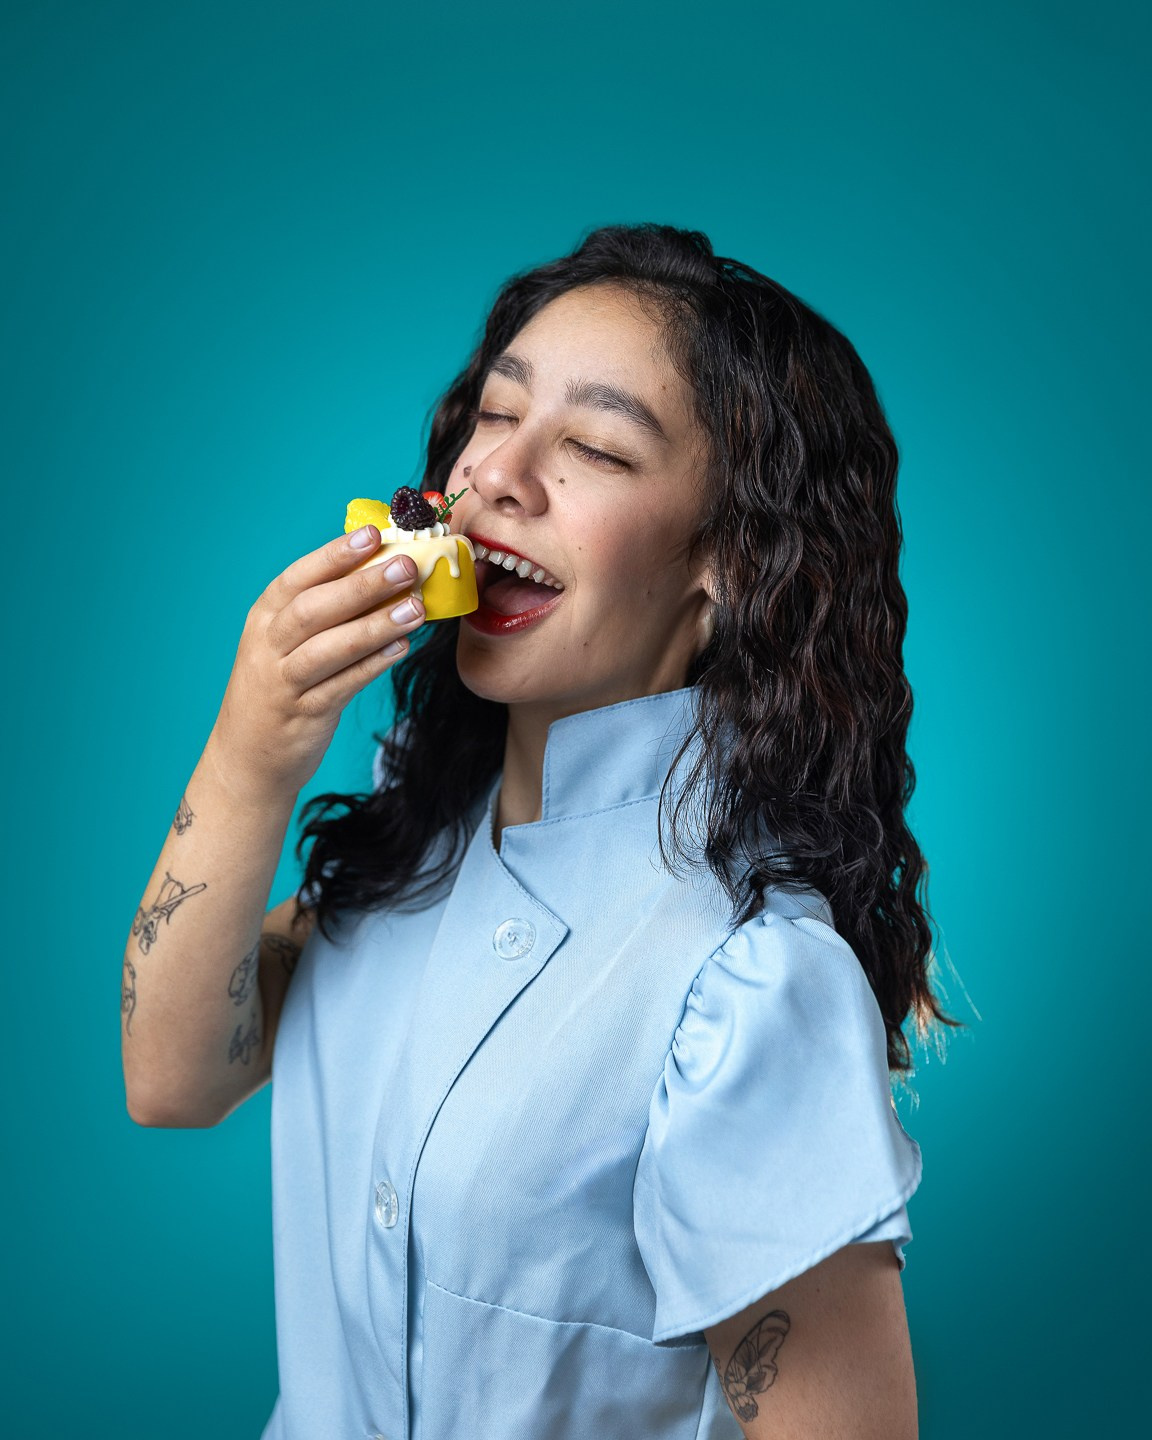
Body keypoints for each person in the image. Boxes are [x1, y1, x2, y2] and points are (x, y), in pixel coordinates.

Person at [121, 222, 957, 1440]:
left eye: (598, 447)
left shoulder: (748, 984)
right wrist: (252, 751)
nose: (498, 475)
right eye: (494, 415)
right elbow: (174, 1078)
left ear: (729, 561)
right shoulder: (402, 868)